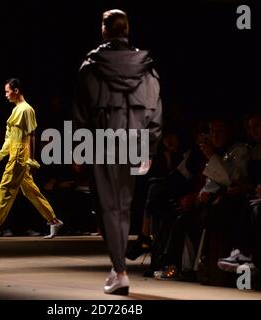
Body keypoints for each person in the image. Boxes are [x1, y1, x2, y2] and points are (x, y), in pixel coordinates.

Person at [72, 9, 162, 295]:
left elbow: (81, 111)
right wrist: (149, 146)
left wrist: (78, 146)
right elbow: (156, 110)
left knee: (108, 207)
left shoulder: (92, 66)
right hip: (135, 141)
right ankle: (117, 268)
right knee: (121, 206)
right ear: (127, 30)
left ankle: (120, 270)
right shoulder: (146, 67)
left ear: (104, 30)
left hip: (103, 141)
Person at [0, 78, 63, 240]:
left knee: (5, 188)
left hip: (20, 156)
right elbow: (10, 138)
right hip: (16, 153)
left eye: (8, 91)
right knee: (30, 191)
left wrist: (30, 159)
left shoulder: (26, 110)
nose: (6, 95)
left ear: (16, 91)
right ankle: (54, 220)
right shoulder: (17, 110)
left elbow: (31, 136)